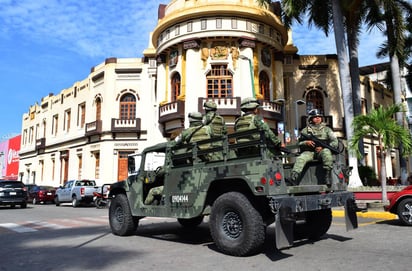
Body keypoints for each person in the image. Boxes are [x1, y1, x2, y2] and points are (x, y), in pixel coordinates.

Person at [291, 109, 338, 185]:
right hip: (309, 152)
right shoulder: (305, 131)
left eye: (319, 116)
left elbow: (335, 142)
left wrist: (324, 147)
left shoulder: (327, 130)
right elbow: (299, 143)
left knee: (326, 152)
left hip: (321, 152)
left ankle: (327, 176)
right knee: (301, 158)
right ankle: (294, 177)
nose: (318, 118)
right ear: (311, 119)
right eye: (315, 117)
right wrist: (306, 142)